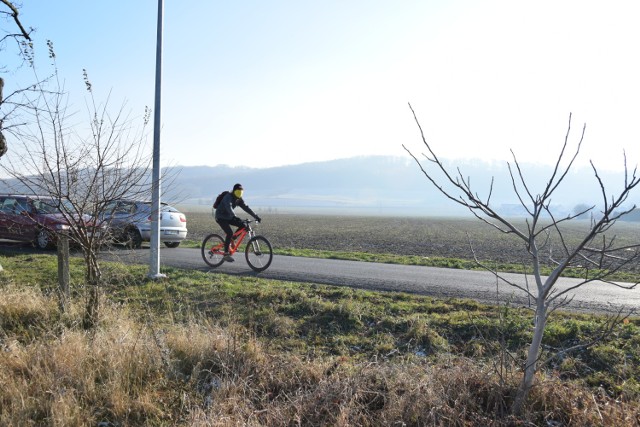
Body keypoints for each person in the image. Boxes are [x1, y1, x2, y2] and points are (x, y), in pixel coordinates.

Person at [214, 183, 261, 262]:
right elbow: (228, 206)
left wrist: (256, 216)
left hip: (229, 217)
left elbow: (246, 208)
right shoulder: (228, 197)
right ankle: (226, 254)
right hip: (220, 217)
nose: (239, 194)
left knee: (243, 225)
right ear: (234, 191)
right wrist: (234, 216)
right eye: (238, 192)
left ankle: (232, 240)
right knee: (229, 233)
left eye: (241, 192)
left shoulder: (239, 199)